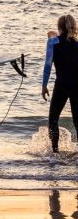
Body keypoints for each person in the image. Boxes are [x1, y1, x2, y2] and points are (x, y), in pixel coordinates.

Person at [41, 14, 78, 152]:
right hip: (76, 85)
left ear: (59, 27)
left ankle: (55, 152)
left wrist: (44, 86)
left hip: (62, 84)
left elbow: (47, 67)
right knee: (77, 121)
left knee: (53, 119)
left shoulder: (52, 43)